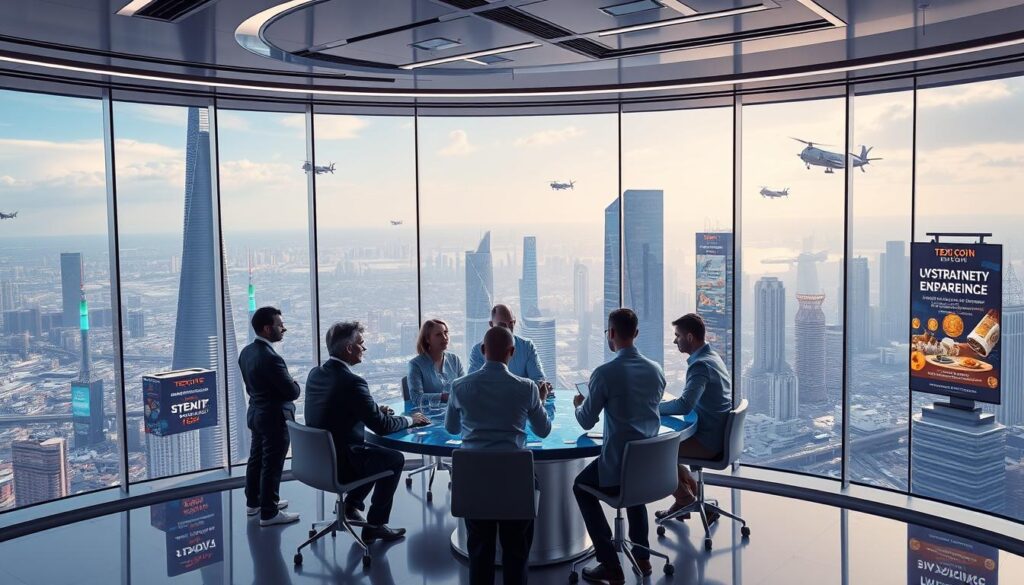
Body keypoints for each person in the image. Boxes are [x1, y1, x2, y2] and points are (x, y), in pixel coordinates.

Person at [445, 325, 552, 585]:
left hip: (474, 485)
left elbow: (451, 428)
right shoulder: (527, 388)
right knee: (516, 551)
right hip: (515, 485)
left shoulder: (459, 386)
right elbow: (544, 430)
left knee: (480, 551)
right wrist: (542, 399)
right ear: (512, 353)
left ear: (483, 351)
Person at [305, 321, 429, 542]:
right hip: (341, 462)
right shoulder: (352, 382)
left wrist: (372, 409)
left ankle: (352, 505)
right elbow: (382, 426)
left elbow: (334, 408)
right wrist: (411, 420)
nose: (365, 349)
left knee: (373, 455)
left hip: (316, 459)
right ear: (349, 349)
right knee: (393, 459)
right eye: (362, 344)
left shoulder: (317, 373)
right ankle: (375, 525)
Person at [573, 308, 665, 584]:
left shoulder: (604, 373)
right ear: (635, 333)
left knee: (580, 487)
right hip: (649, 470)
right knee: (633, 487)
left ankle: (609, 563)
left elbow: (586, 421)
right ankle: (643, 556)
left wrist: (579, 406)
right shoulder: (656, 370)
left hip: (618, 471)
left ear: (611, 334)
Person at [655, 313, 733, 522]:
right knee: (668, 447)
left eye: (677, 336)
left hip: (708, 440)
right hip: (717, 434)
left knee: (657, 451)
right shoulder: (712, 357)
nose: (674, 340)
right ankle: (686, 500)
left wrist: (653, 407)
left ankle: (686, 500)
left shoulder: (700, 365)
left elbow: (684, 404)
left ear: (690, 337)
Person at [239, 306, 301, 527]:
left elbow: (252, 386)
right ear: (267, 329)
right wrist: (293, 382)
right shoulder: (271, 358)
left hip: (256, 413)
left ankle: (254, 502)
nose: (284, 329)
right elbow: (292, 392)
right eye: (279, 325)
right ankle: (269, 511)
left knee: (256, 460)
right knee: (272, 465)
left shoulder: (246, 352)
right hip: (275, 418)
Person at [467, 304, 553, 397]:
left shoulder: (527, 346)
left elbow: (538, 382)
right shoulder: (477, 351)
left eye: (511, 324)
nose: (508, 329)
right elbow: (474, 386)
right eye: (502, 326)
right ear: (491, 324)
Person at [406, 318, 465, 405]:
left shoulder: (454, 359)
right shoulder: (415, 365)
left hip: (455, 410)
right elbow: (416, 398)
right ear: (427, 339)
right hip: (430, 415)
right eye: (438, 334)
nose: (445, 337)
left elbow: (464, 388)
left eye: (445, 332)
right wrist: (442, 397)